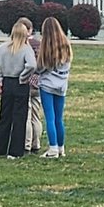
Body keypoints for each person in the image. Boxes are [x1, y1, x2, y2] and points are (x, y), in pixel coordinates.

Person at [0, 20, 37, 159]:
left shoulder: (3, 47)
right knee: (20, 117)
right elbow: (32, 65)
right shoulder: (26, 49)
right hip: (20, 84)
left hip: (6, 82)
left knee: (4, 116)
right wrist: (23, 77)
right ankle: (15, 151)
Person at [36, 16, 72, 159]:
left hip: (47, 86)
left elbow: (40, 67)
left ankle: (53, 148)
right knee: (59, 118)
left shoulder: (45, 46)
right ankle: (61, 148)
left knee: (49, 118)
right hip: (62, 85)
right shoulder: (66, 44)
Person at [19, 15, 44, 154]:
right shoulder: (38, 44)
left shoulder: (21, 45)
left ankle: (26, 144)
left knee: (26, 116)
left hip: (26, 82)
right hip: (38, 82)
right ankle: (36, 143)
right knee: (36, 116)